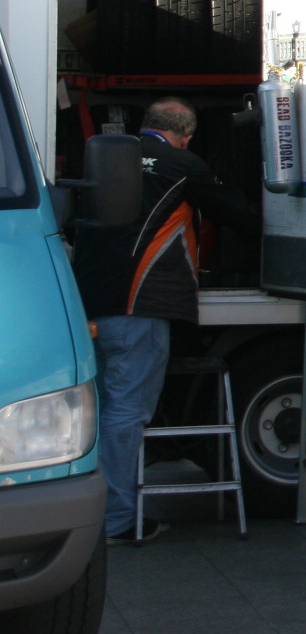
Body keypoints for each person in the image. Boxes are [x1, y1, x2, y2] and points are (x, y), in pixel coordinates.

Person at [73, 98, 259, 546]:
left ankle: (83, 514)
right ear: (187, 136)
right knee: (127, 412)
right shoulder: (182, 164)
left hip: (87, 301)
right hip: (141, 304)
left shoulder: (102, 159)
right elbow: (240, 215)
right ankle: (117, 521)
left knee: (95, 413)